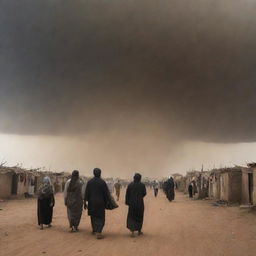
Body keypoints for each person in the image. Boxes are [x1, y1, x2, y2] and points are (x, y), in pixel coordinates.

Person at [84, 168, 112, 239]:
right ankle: (99, 231)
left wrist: (85, 203)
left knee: (93, 216)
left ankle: (94, 230)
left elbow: (86, 193)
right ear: (100, 173)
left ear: (93, 173)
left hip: (91, 202)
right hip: (101, 202)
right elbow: (106, 194)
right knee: (101, 217)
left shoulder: (90, 182)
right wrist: (108, 202)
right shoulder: (102, 182)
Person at [125, 173, 146, 237]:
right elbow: (144, 193)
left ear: (134, 178)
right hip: (140, 204)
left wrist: (127, 202)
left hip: (132, 204)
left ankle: (132, 232)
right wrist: (139, 197)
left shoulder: (130, 185)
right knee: (139, 216)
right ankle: (139, 231)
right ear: (140, 178)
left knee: (131, 217)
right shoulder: (142, 185)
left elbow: (127, 195)